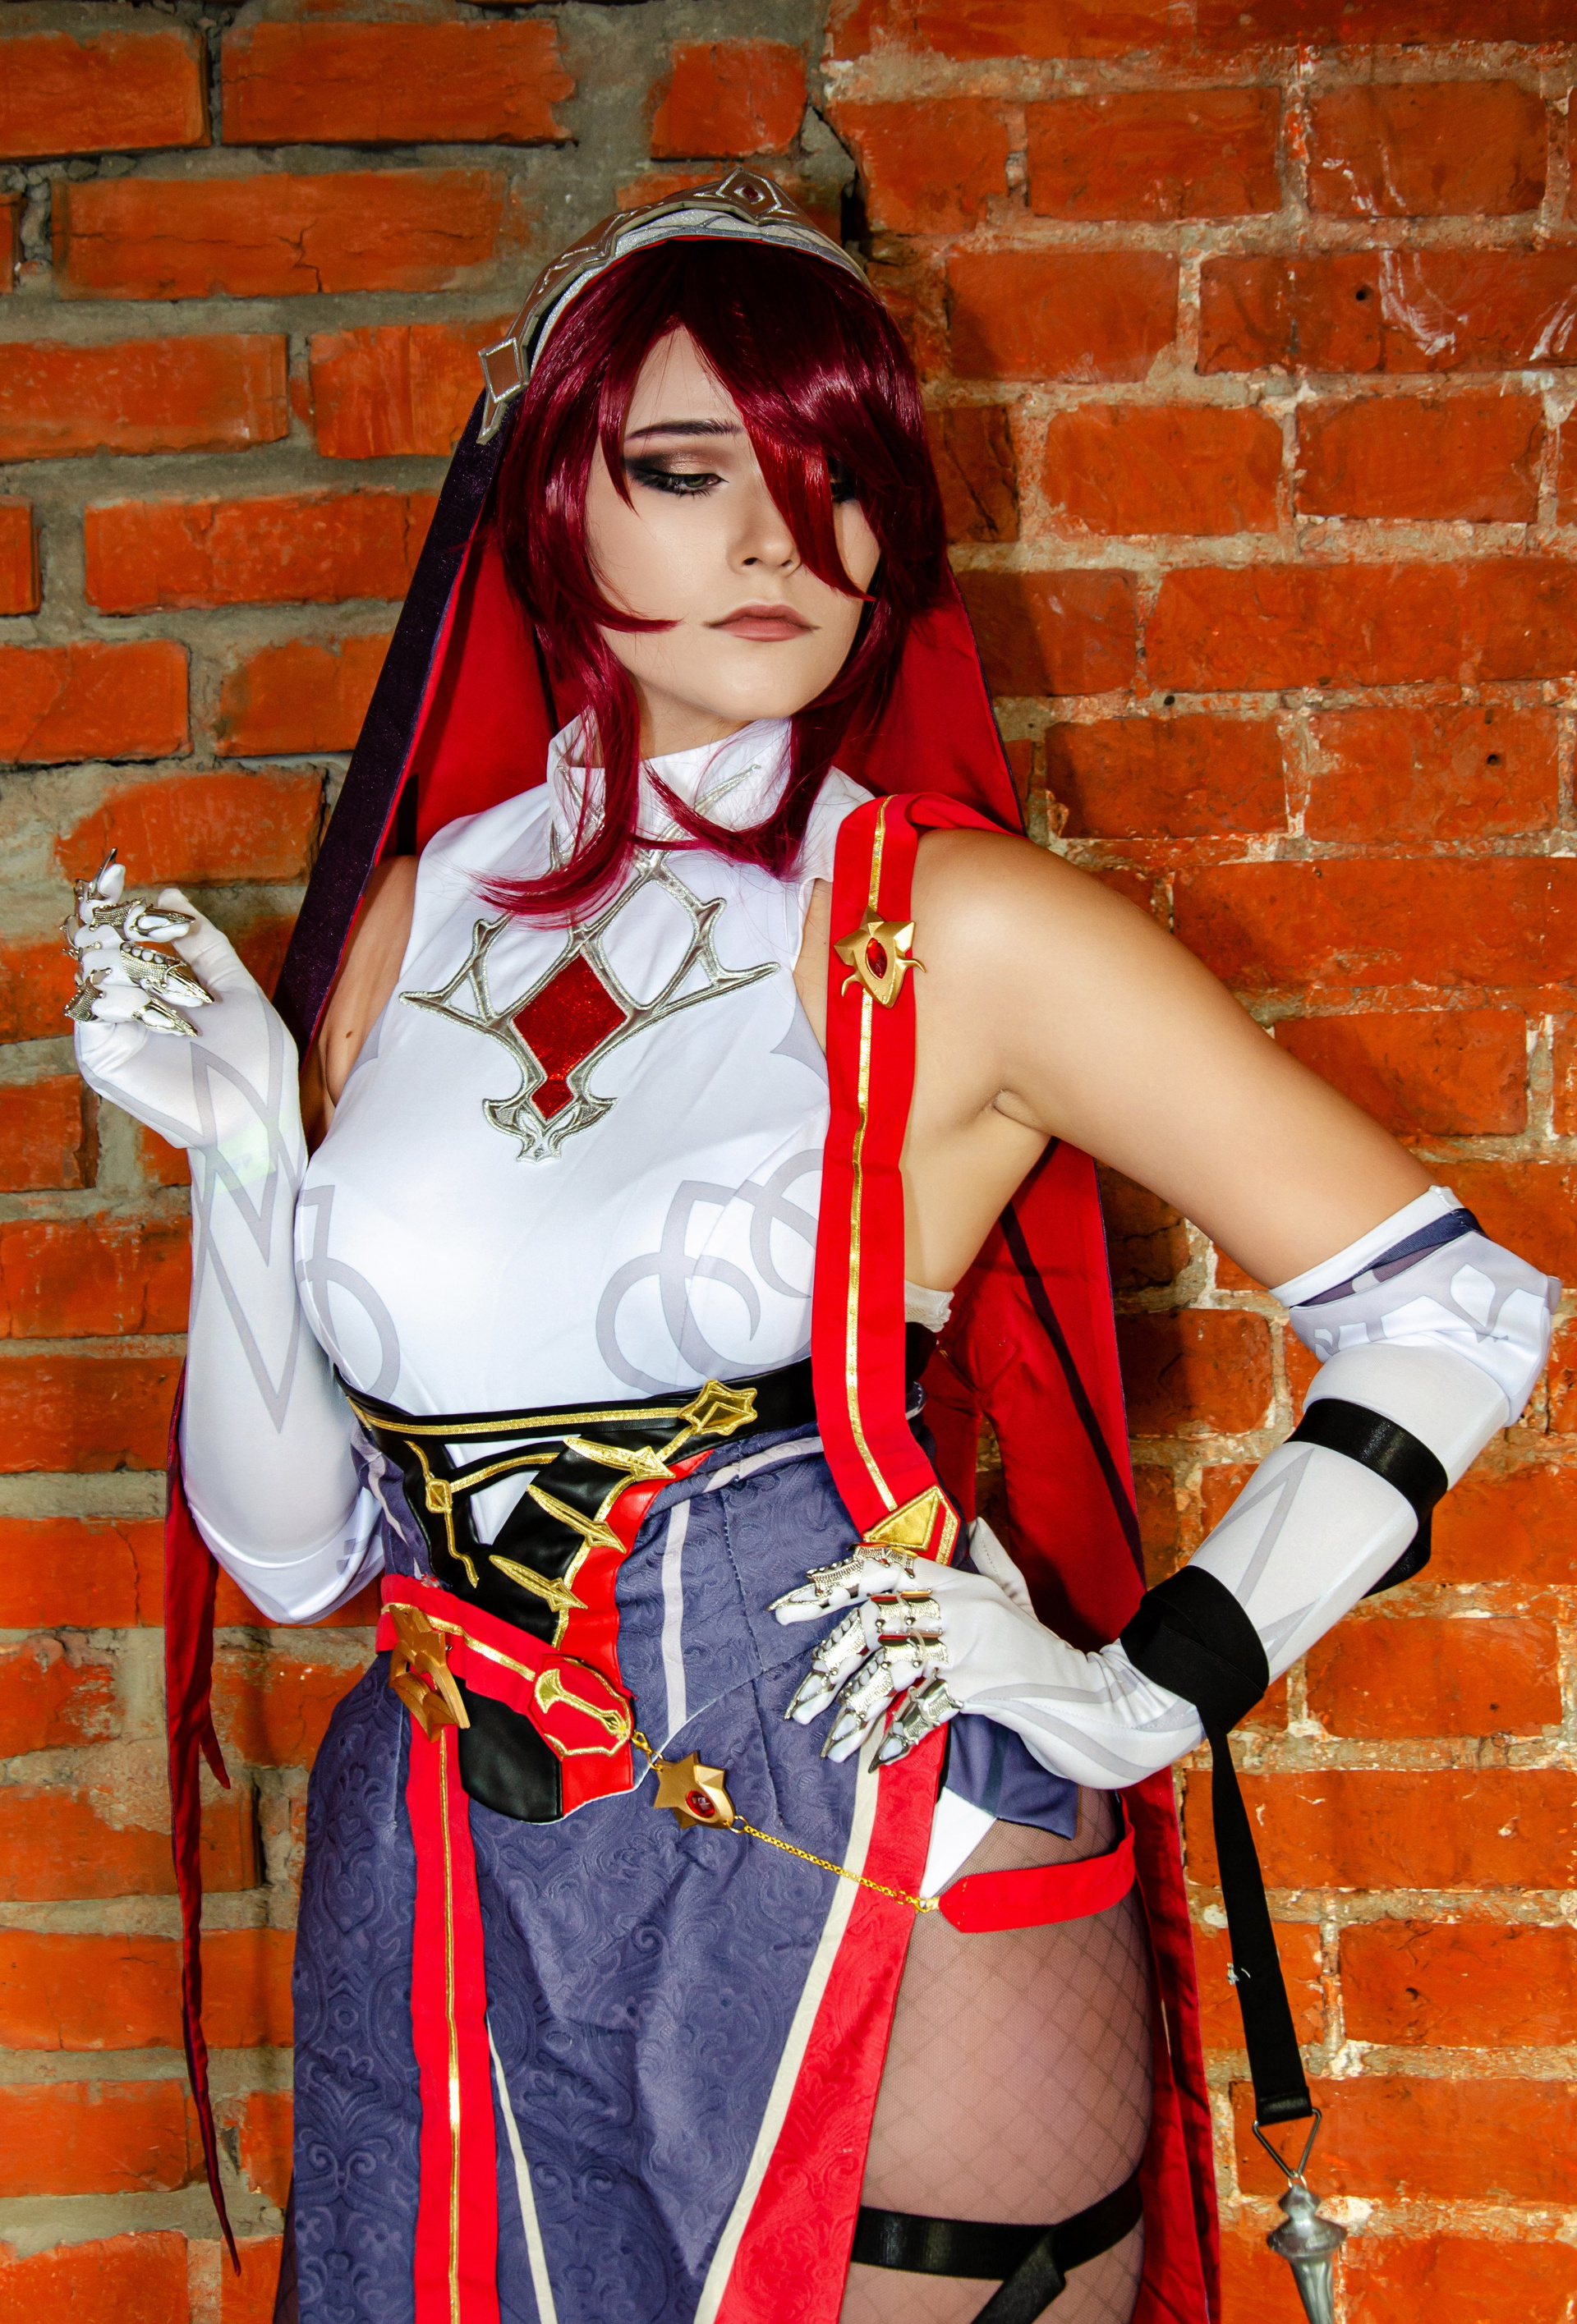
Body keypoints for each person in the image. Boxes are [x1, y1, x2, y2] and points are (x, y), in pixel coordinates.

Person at [66, 174, 1556, 2324]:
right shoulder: (413, 920)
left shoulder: (957, 924)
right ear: (554, 502)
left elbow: (1453, 1304)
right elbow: (302, 1559)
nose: (779, 541)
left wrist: (1140, 1692)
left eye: (836, 476)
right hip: (458, 1868)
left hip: (863, 1837)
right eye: (691, 473)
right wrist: (237, 1153)